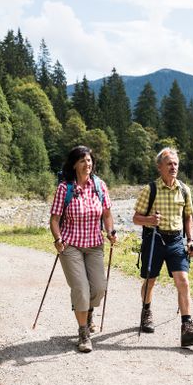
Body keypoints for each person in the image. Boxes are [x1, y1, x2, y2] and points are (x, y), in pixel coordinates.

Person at [133, 147, 193, 347]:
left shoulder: (184, 189)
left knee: (183, 281)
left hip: (176, 240)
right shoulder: (150, 189)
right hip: (154, 238)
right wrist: (150, 219)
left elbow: (188, 216)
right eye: (169, 164)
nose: (173, 167)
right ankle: (146, 311)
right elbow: (135, 218)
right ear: (160, 167)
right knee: (150, 280)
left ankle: (187, 328)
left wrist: (190, 240)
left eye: (175, 164)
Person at [50, 145, 117, 353]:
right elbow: (54, 219)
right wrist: (58, 238)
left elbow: (106, 214)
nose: (87, 164)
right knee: (80, 288)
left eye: (89, 160)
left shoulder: (99, 185)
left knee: (98, 289)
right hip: (70, 245)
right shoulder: (65, 188)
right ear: (74, 165)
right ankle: (83, 332)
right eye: (82, 161)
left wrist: (111, 231)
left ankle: (87, 312)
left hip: (95, 245)